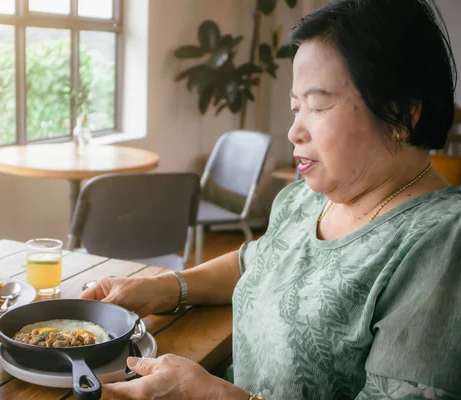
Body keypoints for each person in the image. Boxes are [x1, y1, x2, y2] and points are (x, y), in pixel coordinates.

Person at [81, 0, 461, 398]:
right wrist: (166, 287)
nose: (294, 131)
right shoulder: (305, 198)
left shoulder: (442, 242)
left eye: (318, 105)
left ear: (402, 112)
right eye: (296, 107)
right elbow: (256, 262)